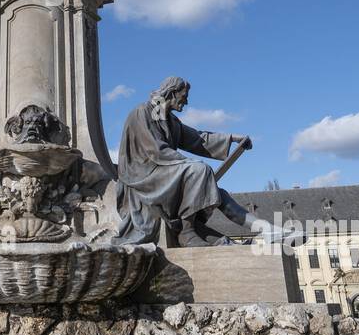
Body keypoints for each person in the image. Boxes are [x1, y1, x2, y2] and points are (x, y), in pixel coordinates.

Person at [114, 76, 287, 247]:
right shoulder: (143, 112)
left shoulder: (171, 120)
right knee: (199, 171)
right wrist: (190, 167)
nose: (186, 102)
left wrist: (232, 138)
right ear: (172, 93)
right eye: (184, 96)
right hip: (142, 176)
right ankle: (187, 233)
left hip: (161, 172)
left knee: (219, 194)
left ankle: (266, 229)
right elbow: (155, 150)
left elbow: (197, 138)